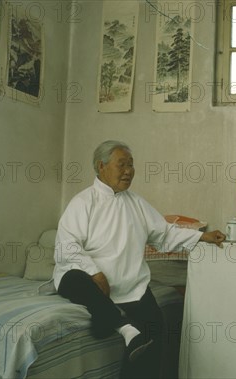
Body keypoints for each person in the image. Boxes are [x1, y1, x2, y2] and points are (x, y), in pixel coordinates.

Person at [53, 140, 225, 378]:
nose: (128, 171)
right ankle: (120, 324)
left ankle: (115, 327)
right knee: (73, 277)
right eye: (121, 164)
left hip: (130, 285)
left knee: (155, 333)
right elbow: (66, 246)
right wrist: (94, 271)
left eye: (131, 165)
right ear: (101, 166)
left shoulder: (137, 203)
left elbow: (165, 234)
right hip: (92, 284)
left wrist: (202, 235)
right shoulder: (83, 202)